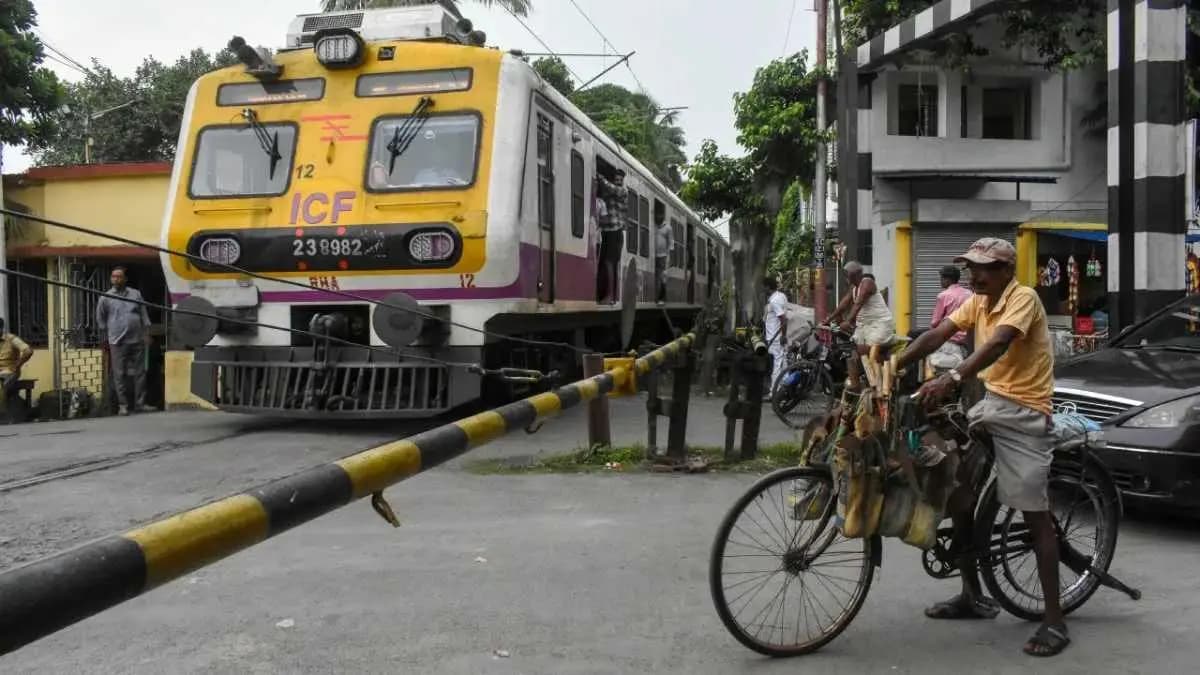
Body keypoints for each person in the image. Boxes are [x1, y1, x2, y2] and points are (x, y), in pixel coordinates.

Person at [894, 238, 1068, 658]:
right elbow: (938, 333)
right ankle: (971, 595)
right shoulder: (977, 301)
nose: (975, 274)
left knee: (1035, 515)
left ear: (1008, 270)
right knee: (957, 489)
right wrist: (891, 364)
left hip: (1025, 415)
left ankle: (1055, 620)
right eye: (971, 267)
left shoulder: (1021, 298)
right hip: (989, 406)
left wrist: (950, 380)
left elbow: (997, 344)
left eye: (985, 268)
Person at [827, 261, 896, 388]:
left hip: (879, 325)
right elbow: (843, 304)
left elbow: (858, 303)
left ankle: (884, 367)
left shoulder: (867, 283)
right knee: (854, 355)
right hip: (864, 326)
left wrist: (848, 321)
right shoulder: (854, 288)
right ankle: (858, 386)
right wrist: (828, 319)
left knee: (864, 352)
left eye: (847, 275)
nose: (846, 277)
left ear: (855, 275)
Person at [96, 267, 155, 416]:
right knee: (119, 374)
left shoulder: (135, 294)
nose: (116, 279)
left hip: (137, 339)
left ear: (125, 279)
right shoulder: (105, 297)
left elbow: (143, 315)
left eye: (119, 277)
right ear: (111, 279)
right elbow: (100, 319)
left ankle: (140, 404)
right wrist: (105, 338)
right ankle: (123, 405)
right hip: (117, 341)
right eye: (114, 277)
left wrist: (146, 334)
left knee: (140, 373)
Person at [928, 265, 974, 372]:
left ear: (948, 279)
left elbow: (935, 323)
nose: (941, 281)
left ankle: (916, 380)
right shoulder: (969, 294)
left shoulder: (943, 295)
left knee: (914, 335)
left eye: (942, 278)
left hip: (949, 336)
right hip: (966, 337)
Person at [595, 169, 628, 304]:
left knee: (610, 263)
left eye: (620, 180)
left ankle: (611, 296)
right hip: (606, 231)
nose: (618, 182)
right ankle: (603, 294)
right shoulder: (608, 194)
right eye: (616, 180)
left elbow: (612, 188)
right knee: (603, 263)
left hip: (616, 231)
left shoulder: (622, 191)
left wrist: (600, 178)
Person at [0, 317, 34, 409]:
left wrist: (17, 365)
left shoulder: (11, 339)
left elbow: (28, 351)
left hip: (9, 371)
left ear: (1, 328)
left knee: (1, 386)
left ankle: (3, 412)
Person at [763, 277, 789, 395]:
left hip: (775, 336)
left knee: (777, 364)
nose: (763, 289)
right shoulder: (781, 296)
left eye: (764, 287)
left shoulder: (774, 301)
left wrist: (782, 336)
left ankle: (774, 392)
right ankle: (786, 387)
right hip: (776, 335)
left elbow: (783, 319)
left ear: (768, 287)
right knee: (783, 362)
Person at [655, 216, 673, 305]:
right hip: (655, 256)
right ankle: (657, 297)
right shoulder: (655, 226)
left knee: (663, 278)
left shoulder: (668, 228)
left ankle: (662, 298)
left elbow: (671, 243)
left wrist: (668, 257)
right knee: (657, 277)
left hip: (663, 256)